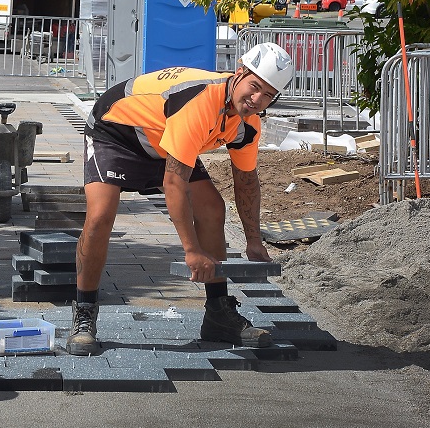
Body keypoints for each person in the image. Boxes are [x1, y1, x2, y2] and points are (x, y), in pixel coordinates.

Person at [67, 42, 294, 355]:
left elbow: (246, 182)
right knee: (100, 216)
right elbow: (174, 183)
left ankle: (218, 313)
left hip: (165, 140)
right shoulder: (201, 101)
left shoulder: (248, 126)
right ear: (239, 73)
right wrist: (192, 251)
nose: (257, 100)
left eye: (268, 95)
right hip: (117, 133)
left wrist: (254, 241)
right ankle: (84, 312)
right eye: (254, 87)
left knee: (213, 208)